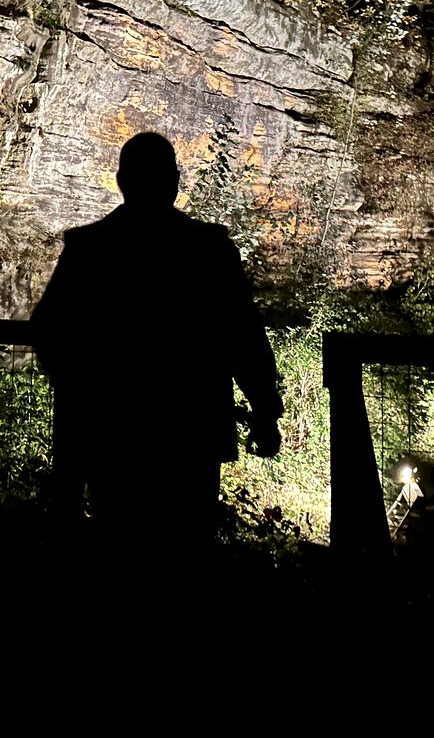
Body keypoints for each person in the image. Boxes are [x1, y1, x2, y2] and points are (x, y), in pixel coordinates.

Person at [31, 131, 283, 571]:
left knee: (116, 550)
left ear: (122, 181)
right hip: (189, 432)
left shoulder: (89, 249)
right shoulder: (209, 250)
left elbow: (50, 331)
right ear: (173, 181)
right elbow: (242, 333)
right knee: (185, 555)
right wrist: (264, 408)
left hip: (111, 433)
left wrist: (79, 399)